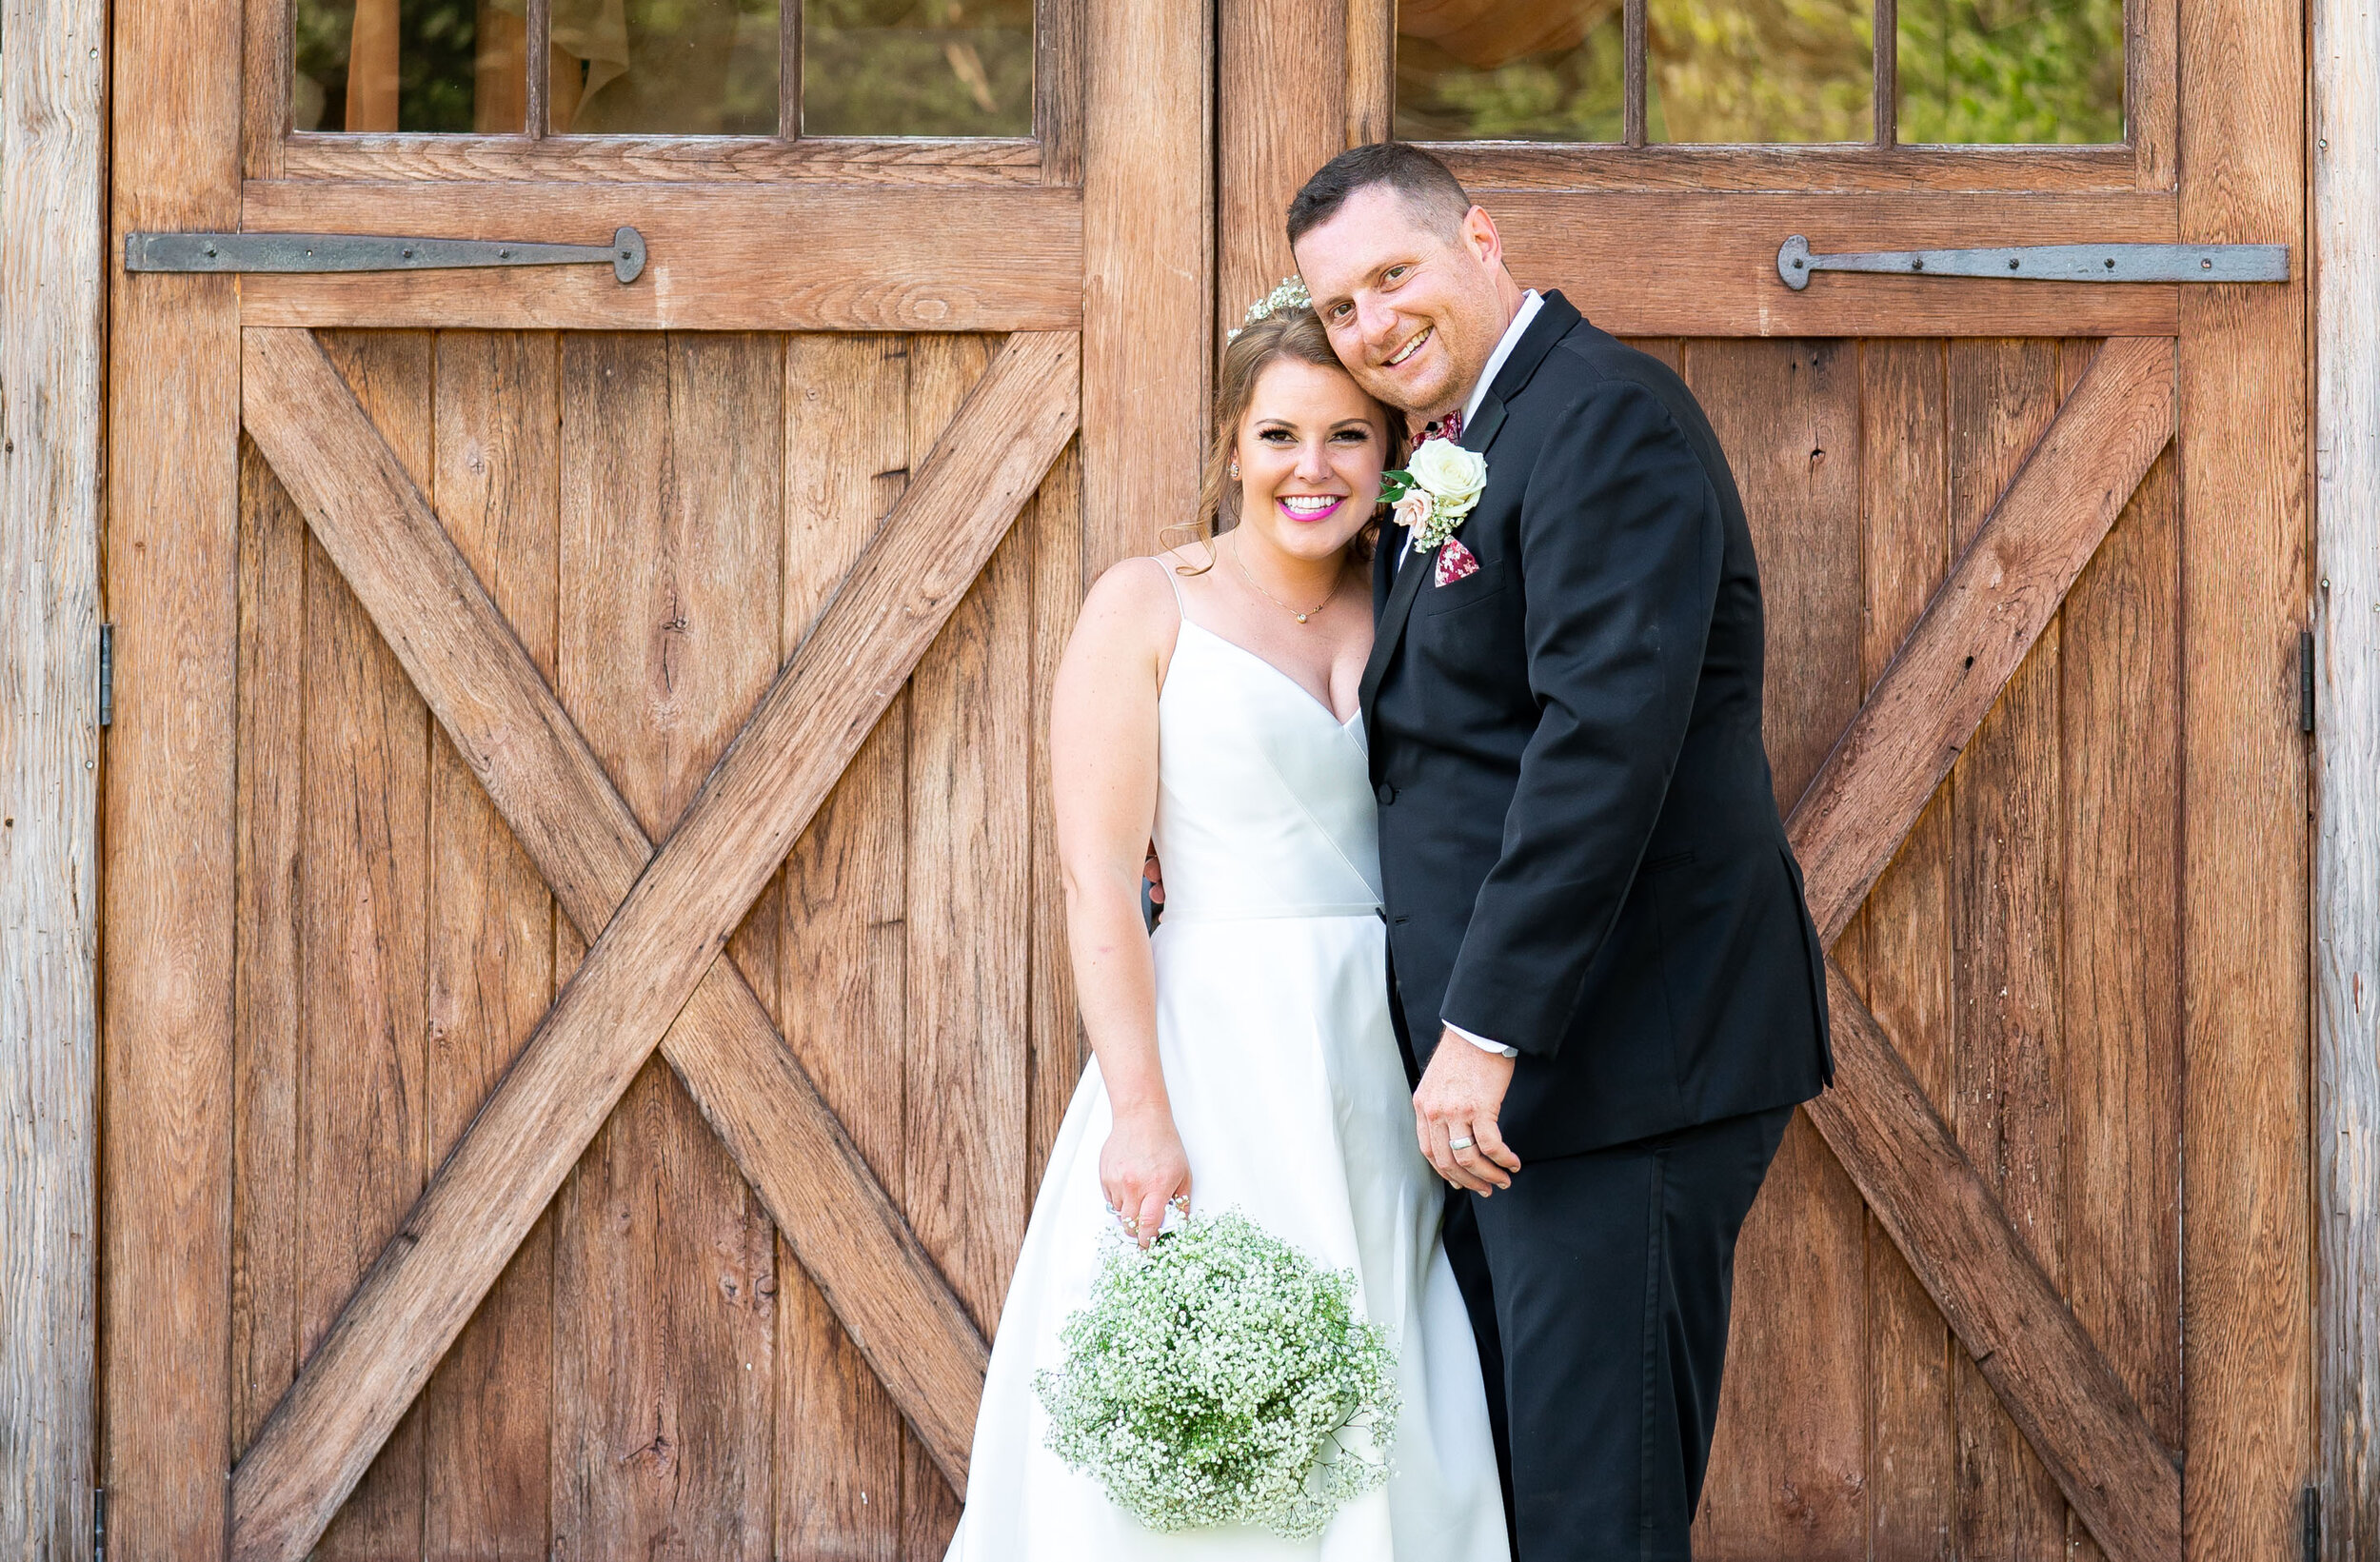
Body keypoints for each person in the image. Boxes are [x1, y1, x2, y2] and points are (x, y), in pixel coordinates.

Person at [1286, 142, 1835, 1559]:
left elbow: (1602, 745)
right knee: (1529, 1503)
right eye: (1340, 309)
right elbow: (1440, 759)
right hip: (1521, 1094)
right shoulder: (1464, 449)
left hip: (1614, 1067)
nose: (1371, 325)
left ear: (1480, 237)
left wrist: (1485, 1025)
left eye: (1392, 275)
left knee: (1600, 1515)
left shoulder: (1603, 420)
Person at [942, 300, 1509, 1560]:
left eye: (1349, 435)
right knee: (1204, 1372)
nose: (1313, 466)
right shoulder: (1145, 606)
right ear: (1232, 443)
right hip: (1214, 1041)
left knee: (1376, 1360)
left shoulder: (1413, 602)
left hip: (1380, 1045)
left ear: (1394, 455)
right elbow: (1097, 880)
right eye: (1280, 433)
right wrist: (1140, 1112)